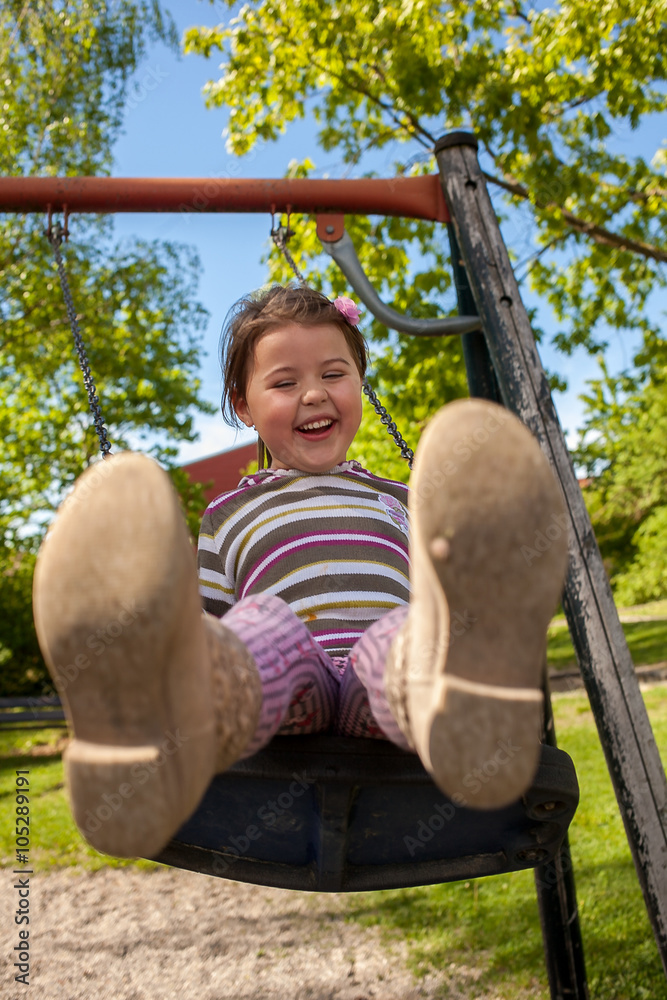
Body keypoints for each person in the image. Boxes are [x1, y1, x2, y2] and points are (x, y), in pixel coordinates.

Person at [33, 284, 568, 860]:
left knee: (407, 637)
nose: (314, 394)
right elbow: (212, 621)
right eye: (285, 383)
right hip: (286, 695)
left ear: (360, 383)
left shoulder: (407, 500)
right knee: (260, 625)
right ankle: (162, 711)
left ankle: (464, 703)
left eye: (334, 374)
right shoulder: (227, 514)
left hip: (380, 692)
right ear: (244, 406)